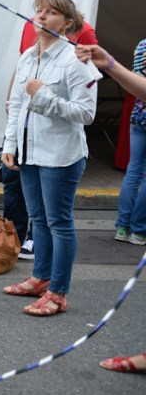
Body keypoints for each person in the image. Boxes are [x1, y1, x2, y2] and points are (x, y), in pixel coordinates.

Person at [1, 0, 96, 316]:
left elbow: (86, 113)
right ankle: (40, 277)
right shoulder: (28, 56)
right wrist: (10, 145)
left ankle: (58, 292)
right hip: (30, 153)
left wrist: (42, 97)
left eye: (51, 12)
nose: (41, 16)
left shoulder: (75, 59)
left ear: (67, 23)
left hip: (61, 155)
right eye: (39, 11)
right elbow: (16, 105)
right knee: (38, 219)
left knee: (59, 222)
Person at [77, 42, 146, 373]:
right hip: (141, 118)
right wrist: (112, 65)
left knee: (136, 173)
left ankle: (128, 226)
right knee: (136, 173)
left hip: (138, 120)